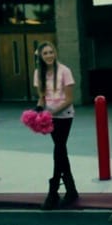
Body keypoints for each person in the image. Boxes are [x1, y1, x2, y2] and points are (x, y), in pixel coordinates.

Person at [33, 41, 78, 210]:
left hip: (65, 116)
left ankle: (53, 193)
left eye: (51, 52)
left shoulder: (65, 71)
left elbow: (69, 99)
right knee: (61, 151)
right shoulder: (39, 73)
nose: (49, 55)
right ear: (40, 57)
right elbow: (42, 97)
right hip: (49, 117)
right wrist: (38, 110)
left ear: (55, 53)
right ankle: (71, 190)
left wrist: (52, 112)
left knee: (59, 148)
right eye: (45, 53)